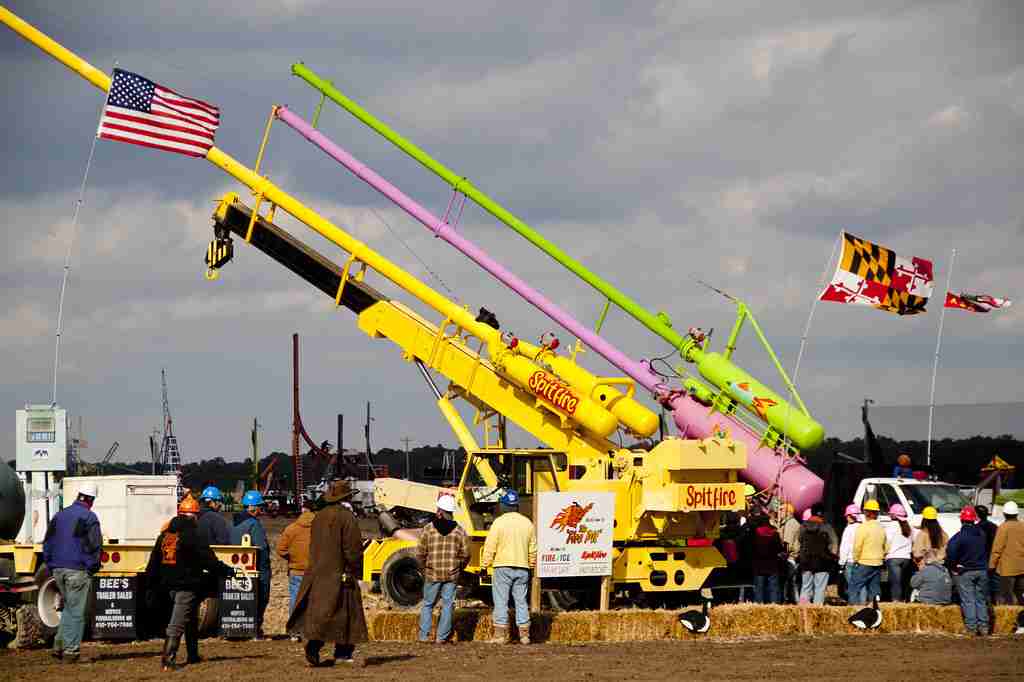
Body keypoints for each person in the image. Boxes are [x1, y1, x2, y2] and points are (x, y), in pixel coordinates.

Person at [146, 494, 234, 670]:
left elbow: (153, 563)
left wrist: (152, 585)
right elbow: (209, 560)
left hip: (167, 585)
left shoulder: (165, 535)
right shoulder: (194, 535)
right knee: (178, 622)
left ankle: (193, 654)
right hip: (186, 585)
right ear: (194, 515)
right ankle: (168, 660)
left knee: (190, 617)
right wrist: (227, 571)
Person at [286, 480, 368, 667]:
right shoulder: (347, 517)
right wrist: (356, 570)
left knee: (323, 614)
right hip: (341, 573)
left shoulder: (319, 517)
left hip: (318, 573)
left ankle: (314, 646)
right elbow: (353, 549)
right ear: (347, 497)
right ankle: (343, 654)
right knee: (347, 615)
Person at [43, 482, 102, 664]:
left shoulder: (59, 516)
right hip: (77, 569)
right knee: (77, 612)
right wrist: (92, 566)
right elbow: (95, 545)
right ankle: (71, 652)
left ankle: (59, 646)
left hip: (57, 568)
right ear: (91, 500)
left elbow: (47, 542)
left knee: (69, 607)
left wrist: (51, 564)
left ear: (78, 496)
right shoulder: (89, 517)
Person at [480, 489, 536, 644]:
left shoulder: (498, 522)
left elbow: (490, 546)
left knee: (501, 601)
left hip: (502, 567)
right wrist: (531, 566)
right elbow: (533, 548)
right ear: (517, 506)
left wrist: (484, 566)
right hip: (522, 567)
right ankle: (524, 635)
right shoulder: (527, 523)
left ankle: (499, 636)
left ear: (504, 505)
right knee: (521, 601)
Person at [416, 494, 470, 644]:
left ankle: (424, 636)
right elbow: (466, 554)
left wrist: (423, 568)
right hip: (451, 574)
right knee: (447, 605)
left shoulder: (428, 529)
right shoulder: (459, 531)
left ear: (439, 510)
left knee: (428, 604)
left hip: (432, 573)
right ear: (451, 512)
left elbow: (420, 552)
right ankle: (441, 638)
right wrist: (459, 567)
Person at [231, 490, 271, 638]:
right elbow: (262, 547)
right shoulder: (254, 524)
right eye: (260, 507)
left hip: (238, 567)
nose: (261, 510)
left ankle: (240, 629)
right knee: (261, 597)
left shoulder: (234, 522)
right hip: (258, 568)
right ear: (253, 507)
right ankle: (255, 630)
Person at [946, 505, 989, 636]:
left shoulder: (959, 537)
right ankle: (984, 627)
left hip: (966, 571)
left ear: (962, 520)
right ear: (974, 520)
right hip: (982, 570)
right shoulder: (982, 534)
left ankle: (971, 628)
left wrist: (953, 566)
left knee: (968, 600)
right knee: (980, 599)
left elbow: (951, 552)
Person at [277, 496, 316, 639]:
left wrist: (292, 558)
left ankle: (294, 632)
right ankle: (311, 632)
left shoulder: (291, 528)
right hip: (314, 572)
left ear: (303, 510)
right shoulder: (320, 529)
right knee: (313, 602)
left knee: (295, 600)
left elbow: (280, 549)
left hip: (296, 571)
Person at [849, 499, 889, 604]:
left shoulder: (863, 527)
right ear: (877, 513)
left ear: (866, 512)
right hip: (878, 562)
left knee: (854, 588)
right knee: (874, 589)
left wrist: (856, 559)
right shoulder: (881, 528)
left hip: (864, 562)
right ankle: (875, 611)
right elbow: (887, 547)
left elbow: (857, 546)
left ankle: (855, 610)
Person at [797, 503, 838, 604]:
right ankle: (817, 612)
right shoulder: (827, 528)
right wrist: (833, 556)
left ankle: (803, 611)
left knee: (805, 587)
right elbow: (834, 544)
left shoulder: (803, 527)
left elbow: (798, 541)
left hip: (806, 561)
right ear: (822, 514)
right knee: (820, 589)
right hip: (823, 562)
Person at [990, 500, 1024, 605]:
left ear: (1004, 514)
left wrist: (991, 565)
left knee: (1007, 597)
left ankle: (1011, 619)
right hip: (1022, 567)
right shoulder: (1023, 526)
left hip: (1007, 569)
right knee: (1020, 596)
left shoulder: (1003, 528)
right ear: (1016, 513)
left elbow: (997, 549)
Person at [749, 513, 784, 604]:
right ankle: (774, 605)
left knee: (759, 588)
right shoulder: (774, 533)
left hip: (758, 565)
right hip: (772, 565)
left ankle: (759, 606)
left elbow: (750, 549)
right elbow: (779, 548)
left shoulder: (754, 534)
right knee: (773, 588)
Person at [884, 503, 914, 601]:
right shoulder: (908, 526)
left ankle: (896, 601)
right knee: (904, 581)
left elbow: (886, 542)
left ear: (894, 515)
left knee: (895, 582)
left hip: (893, 558)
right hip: (906, 558)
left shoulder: (890, 527)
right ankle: (904, 600)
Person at [975, 505, 1001, 604]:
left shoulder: (976, 528)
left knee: (983, 589)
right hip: (994, 560)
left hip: (982, 560)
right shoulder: (994, 526)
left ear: (976, 515)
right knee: (994, 587)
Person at [838, 504, 863, 604]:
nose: (846, 518)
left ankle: (854, 605)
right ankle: (862, 604)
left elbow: (845, 547)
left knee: (852, 586)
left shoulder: (848, 529)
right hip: (861, 561)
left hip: (850, 561)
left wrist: (841, 562)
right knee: (861, 585)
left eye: (847, 516)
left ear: (851, 516)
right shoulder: (863, 527)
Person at [780, 503, 802, 603]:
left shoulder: (789, 524)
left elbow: (787, 543)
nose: (779, 512)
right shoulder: (794, 523)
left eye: (781, 510)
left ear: (787, 512)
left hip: (790, 557)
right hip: (795, 556)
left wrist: (782, 554)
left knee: (790, 582)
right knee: (793, 582)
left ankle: (795, 601)